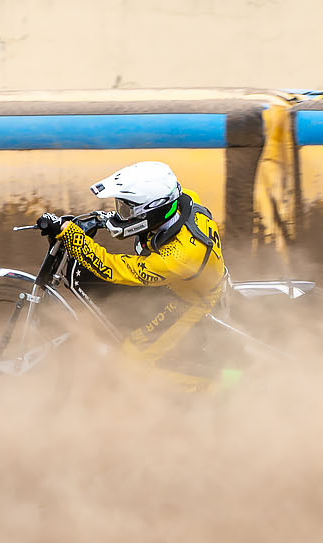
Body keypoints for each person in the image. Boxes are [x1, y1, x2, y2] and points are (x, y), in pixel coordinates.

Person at [36, 161, 231, 390]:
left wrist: (72, 236)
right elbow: (139, 221)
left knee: (132, 359)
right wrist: (99, 219)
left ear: (153, 210)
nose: (121, 214)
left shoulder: (180, 256)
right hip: (192, 281)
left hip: (192, 300)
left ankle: (210, 390)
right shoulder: (182, 199)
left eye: (126, 210)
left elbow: (114, 268)